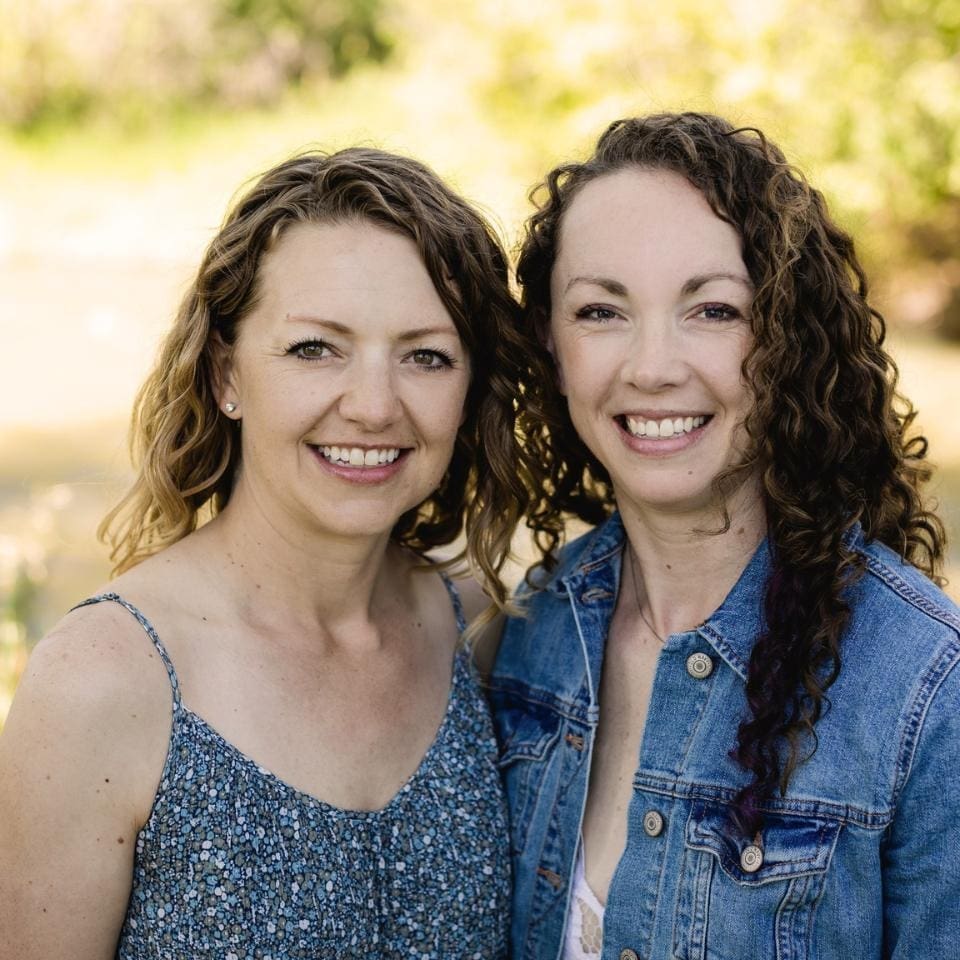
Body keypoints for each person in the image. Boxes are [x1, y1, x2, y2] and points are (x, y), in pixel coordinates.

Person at [0, 147, 522, 958]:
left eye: (427, 355)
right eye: (316, 348)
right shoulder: (104, 678)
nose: (376, 405)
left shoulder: (477, 630)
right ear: (224, 375)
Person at [486, 113, 960, 960]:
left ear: (786, 340)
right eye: (601, 310)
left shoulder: (924, 686)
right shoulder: (537, 628)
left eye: (711, 309)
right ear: (553, 351)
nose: (654, 365)